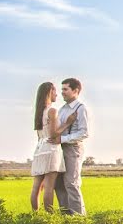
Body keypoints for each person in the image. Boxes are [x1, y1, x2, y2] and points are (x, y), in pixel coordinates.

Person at [31, 82, 77, 212]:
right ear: (49, 92)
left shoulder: (39, 112)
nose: (57, 94)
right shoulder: (52, 111)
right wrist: (68, 123)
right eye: (55, 91)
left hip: (39, 148)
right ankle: (49, 218)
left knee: (36, 187)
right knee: (49, 186)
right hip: (51, 149)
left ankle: (35, 216)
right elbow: (53, 134)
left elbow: (41, 135)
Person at [48, 78, 90, 215]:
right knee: (59, 184)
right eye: (62, 90)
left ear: (75, 91)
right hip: (59, 149)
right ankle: (66, 217)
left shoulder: (81, 108)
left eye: (65, 89)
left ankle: (79, 219)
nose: (62, 93)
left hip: (73, 148)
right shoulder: (62, 109)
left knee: (71, 183)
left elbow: (84, 133)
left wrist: (63, 139)